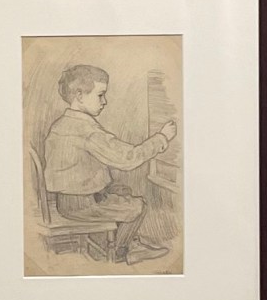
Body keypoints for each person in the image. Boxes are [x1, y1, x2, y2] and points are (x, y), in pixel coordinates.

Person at [43, 63, 176, 263]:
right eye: (100, 95)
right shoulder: (87, 131)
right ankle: (122, 251)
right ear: (79, 96)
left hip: (66, 200)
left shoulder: (60, 125)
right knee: (137, 206)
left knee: (122, 190)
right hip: (81, 205)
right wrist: (161, 138)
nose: (104, 101)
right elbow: (127, 158)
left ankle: (122, 242)